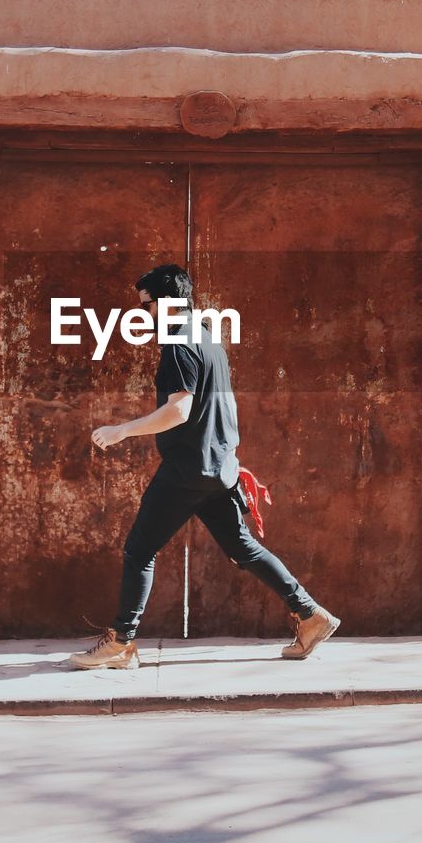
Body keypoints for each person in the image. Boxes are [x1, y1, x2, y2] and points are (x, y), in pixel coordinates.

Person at [70, 263, 340, 669]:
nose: (142, 314)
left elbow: (178, 410)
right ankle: (310, 614)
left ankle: (121, 642)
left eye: (146, 306)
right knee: (243, 549)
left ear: (167, 303)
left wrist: (122, 430)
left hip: (187, 470)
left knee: (139, 551)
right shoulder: (207, 339)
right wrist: (229, 457)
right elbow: (224, 406)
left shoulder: (179, 342)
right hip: (217, 468)